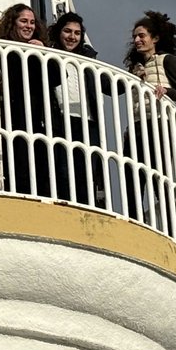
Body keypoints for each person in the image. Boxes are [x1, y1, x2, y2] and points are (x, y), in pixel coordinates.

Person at [122, 11, 176, 230]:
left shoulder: (168, 61)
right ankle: (134, 223)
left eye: (142, 35)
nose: (137, 40)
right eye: (135, 37)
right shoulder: (135, 67)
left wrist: (167, 91)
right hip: (136, 125)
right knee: (132, 176)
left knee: (158, 177)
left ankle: (173, 226)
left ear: (155, 38)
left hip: (159, 124)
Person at [0, 3, 56, 198]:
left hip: (36, 114)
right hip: (12, 111)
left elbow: (57, 77)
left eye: (32, 22)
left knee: (38, 158)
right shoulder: (2, 48)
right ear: (13, 23)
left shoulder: (38, 50)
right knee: (15, 157)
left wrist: (44, 53)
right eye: (23, 21)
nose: (29, 26)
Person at [47, 12, 105, 207]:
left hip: (87, 119)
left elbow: (107, 85)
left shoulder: (88, 58)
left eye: (77, 33)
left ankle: (86, 206)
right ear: (58, 32)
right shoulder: (49, 53)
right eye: (67, 31)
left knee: (88, 168)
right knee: (63, 167)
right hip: (61, 117)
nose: (72, 37)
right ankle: (66, 206)